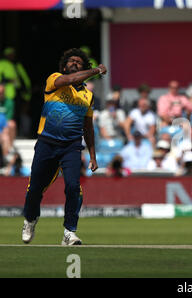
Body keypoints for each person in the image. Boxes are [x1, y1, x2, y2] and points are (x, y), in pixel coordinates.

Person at [22, 48, 106, 245]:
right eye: (71, 61)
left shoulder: (88, 96)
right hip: (46, 143)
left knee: (73, 186)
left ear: (84, 66)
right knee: (35, 189)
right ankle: (30, 219)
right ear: (64, 66)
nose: (74, 63)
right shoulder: (55, 79)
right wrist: (97, 70)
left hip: (71, 146)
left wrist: (93, 156)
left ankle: (69, 232)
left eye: (78, 61)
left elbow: (88, 127)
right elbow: (69, 80)